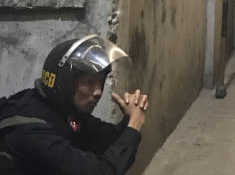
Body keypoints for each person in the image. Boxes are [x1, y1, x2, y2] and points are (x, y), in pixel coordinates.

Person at [0, 34, 148, 175]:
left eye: (100, 81)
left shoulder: (63, 110)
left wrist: (129, 119)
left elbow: (110, 141)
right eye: (89, 82)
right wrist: (135, 124)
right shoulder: (32, 130)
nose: (98, 92)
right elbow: (102, 172)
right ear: (64, 83)